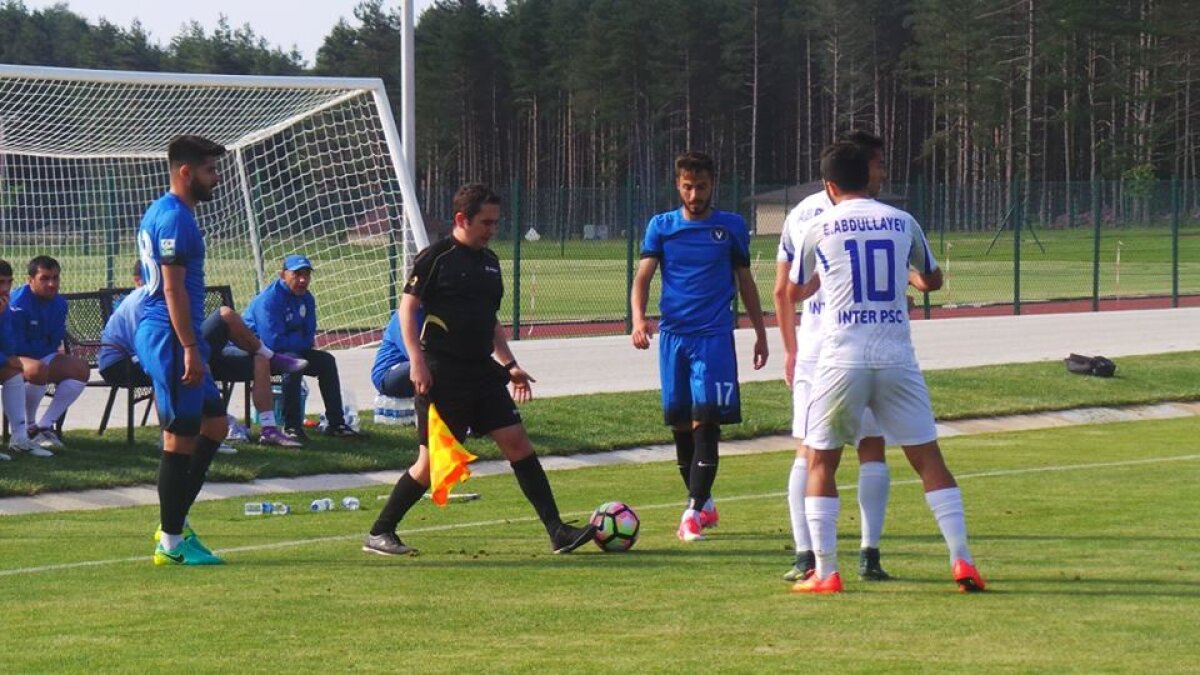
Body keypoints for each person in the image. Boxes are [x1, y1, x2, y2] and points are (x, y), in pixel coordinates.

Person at [788, 141, 985, 593]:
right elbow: (933, 280)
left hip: (842, 358)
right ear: (870, 176)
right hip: (897, 356)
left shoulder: (817, 225)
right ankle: (962, 560)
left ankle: (827, 570)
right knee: (929, 459)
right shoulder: (902, 221)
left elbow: (796, 289)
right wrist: (910, 278)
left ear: (829, 186)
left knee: (821, 460)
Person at [364, 183, 596, 556]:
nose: (492, 230)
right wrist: (417, 362)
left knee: (518, 444)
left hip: (482, 372)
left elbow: (491, 322)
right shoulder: (435, 257)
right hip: (443, 373)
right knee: (431, 463)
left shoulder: (490, 263)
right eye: (485, 223)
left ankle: (557, 531)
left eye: (495, 223)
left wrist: (510, 364)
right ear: (462, 219)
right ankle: (380, 531)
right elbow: (407, 310)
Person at [772, 130, 893, 582]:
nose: (882, 172)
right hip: (863, 347)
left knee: (809, 451)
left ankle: (806, 555)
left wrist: (790, 350)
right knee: (869, 446)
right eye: (878, 164)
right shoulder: (885, 217)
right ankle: (869, 553)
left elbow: (785, 290)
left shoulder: (801, 214)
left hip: (816, 350)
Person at [630, 151, 769, 542]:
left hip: (713, 339)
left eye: (702, 186)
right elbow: (642, 278)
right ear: (678, 185)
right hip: (673, 337)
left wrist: (760, 333)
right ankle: (704, 504)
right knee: (680, 425)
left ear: (713, 185)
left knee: (706, 420)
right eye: (688, 187)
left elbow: (746, 282)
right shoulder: (662, 227)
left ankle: (692, 511)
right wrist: (639, 319)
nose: (695, 194)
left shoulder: (731, 227)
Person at [136, 134, 229, 566]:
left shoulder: (174, 214)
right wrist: (191, 346)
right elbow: (171, 289)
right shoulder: (173, 218)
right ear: (186, 172)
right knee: (181, 435)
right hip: (172, 337)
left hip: (180, 335)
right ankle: (171, 543)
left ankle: (174, 520)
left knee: (215, 423)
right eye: (210, 170)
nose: (217, 178)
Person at [99, 262, 306, 449]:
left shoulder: (176, 299)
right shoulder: (142, 301)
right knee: (221, 318)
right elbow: (147, 348)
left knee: (258, 358)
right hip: (122, 362)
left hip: (176, 351)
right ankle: (192, 435)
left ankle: (269, 428)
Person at [242, 254, 361, 441]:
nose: (303, 280)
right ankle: (292, 427)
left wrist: (296, 342)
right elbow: (273, 342)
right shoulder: (269, 300)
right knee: (293, 364)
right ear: (283, 275)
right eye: (297, 274)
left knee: (326, 362)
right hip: (258, 355)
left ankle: (336, 423)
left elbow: (309, 336)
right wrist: (298, 341)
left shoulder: (307, 299)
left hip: (290, 351)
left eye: (306, 275)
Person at [8, 255, 90, 455]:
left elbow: (54, 339)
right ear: (30, 280)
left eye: (55, 278)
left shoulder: (60, 303)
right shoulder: (18, 303)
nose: (52, 283)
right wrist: (42, 347)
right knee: (38, 369)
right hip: (14, 357)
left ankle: (43, 427)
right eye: (44, 278)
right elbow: (17, 345)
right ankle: (29, 425)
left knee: (81, 369)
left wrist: (44, 347)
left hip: (42, 354)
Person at [1, 259, 42, 459]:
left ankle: (19, 438)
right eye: (0, 282)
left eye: (8, 282)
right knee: (10, 365)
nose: (5, 288)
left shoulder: (4, 307)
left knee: (13, 371)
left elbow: (10, 348)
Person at [371, 309, 415, 399]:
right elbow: (411, 354)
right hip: (387, 373)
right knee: (432, 366)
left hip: (412, 366)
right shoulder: (404, 316)